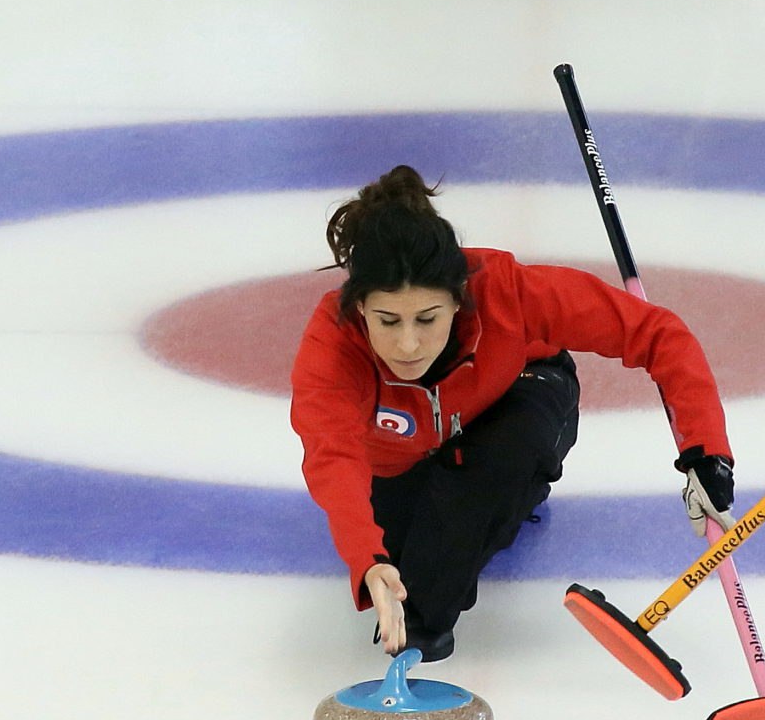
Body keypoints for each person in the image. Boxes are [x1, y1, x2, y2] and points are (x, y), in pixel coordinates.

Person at [290, 166, 737, 660]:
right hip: (402, 457)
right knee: (401, 549)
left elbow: (657, 334)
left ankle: (507, 491)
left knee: (436, 578)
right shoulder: (332, 343)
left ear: (459, 299)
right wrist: (369, 560)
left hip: (521, 395)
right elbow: (333, 455)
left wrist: (706, 452)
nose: (409, 343)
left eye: (428, 318)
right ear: (359, 309)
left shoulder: (506, 292)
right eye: (387, 321)